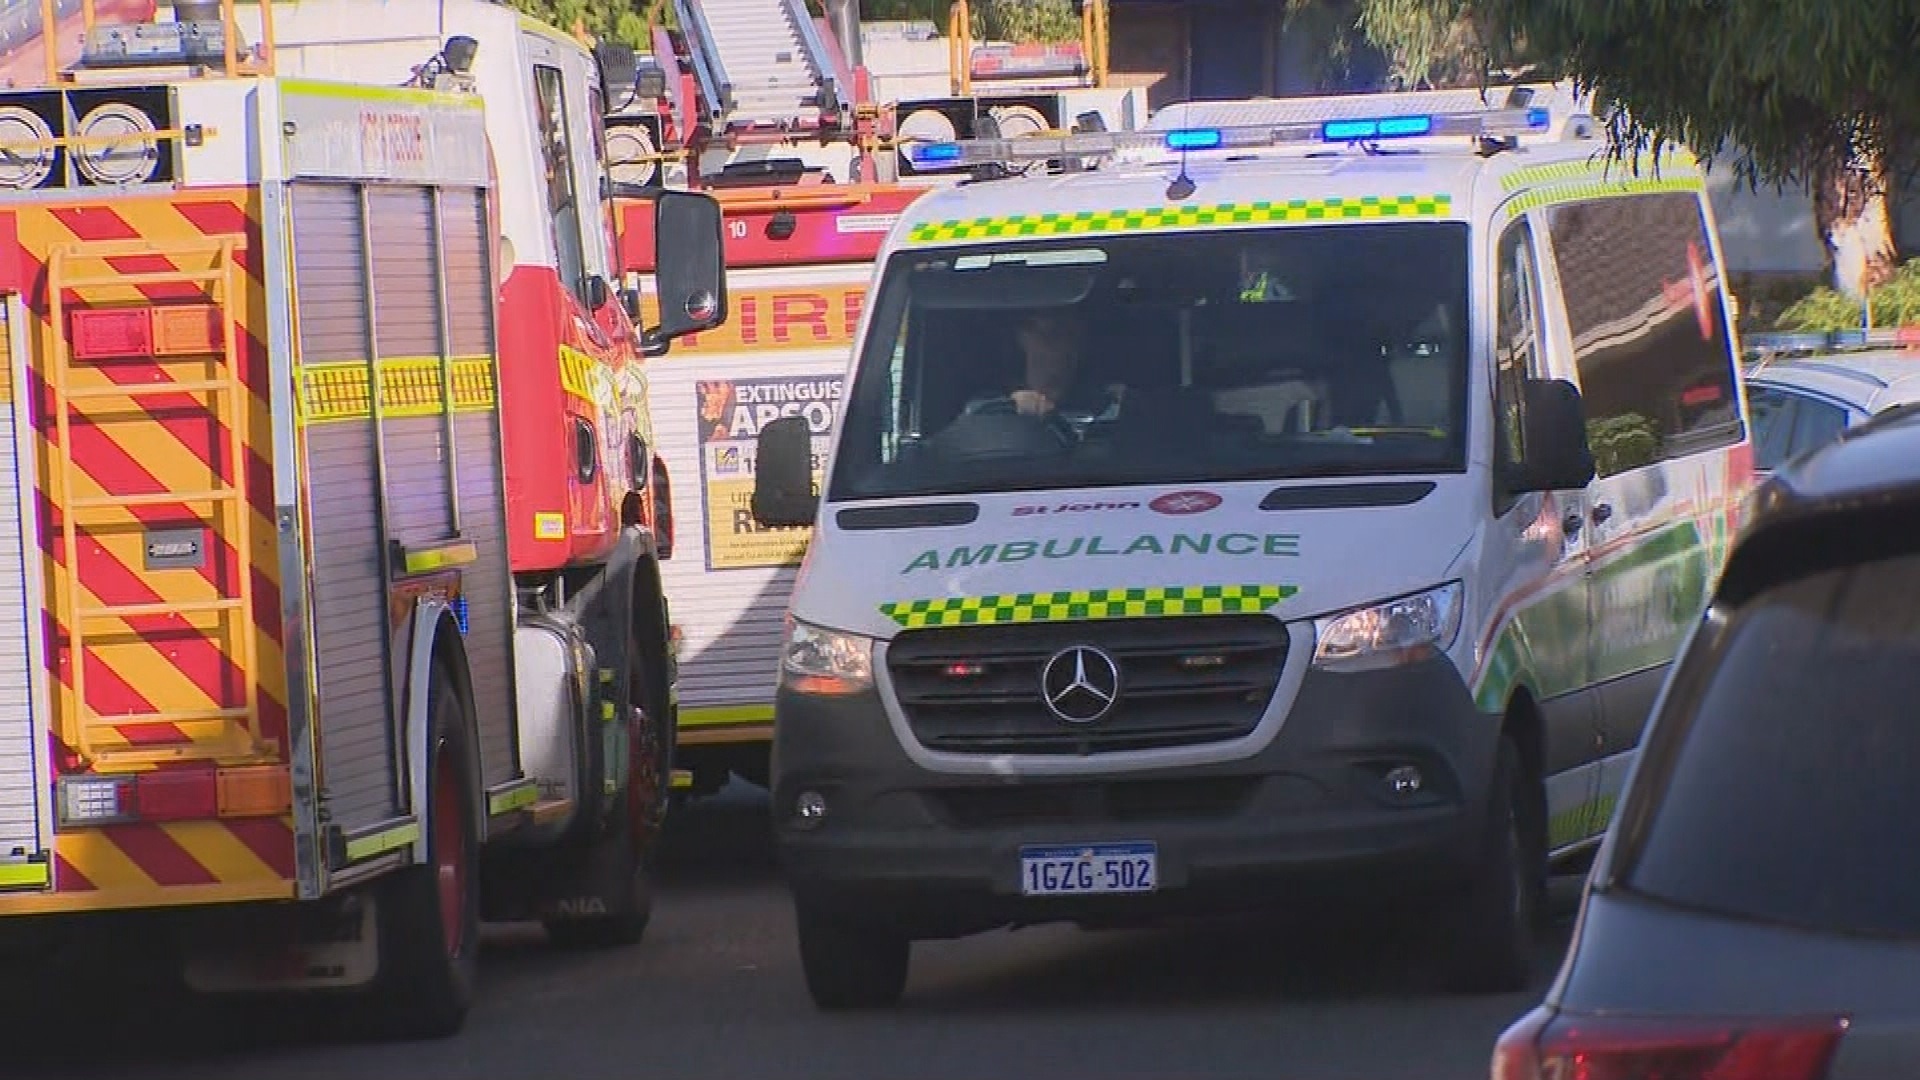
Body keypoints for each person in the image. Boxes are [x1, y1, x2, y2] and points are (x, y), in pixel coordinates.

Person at [977, 307, 1123, 422]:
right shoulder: (983, 410)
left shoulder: (1110, 410)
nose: (1063, 347)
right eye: (1051, 334)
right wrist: (1008, 412)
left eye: (1070, 334)